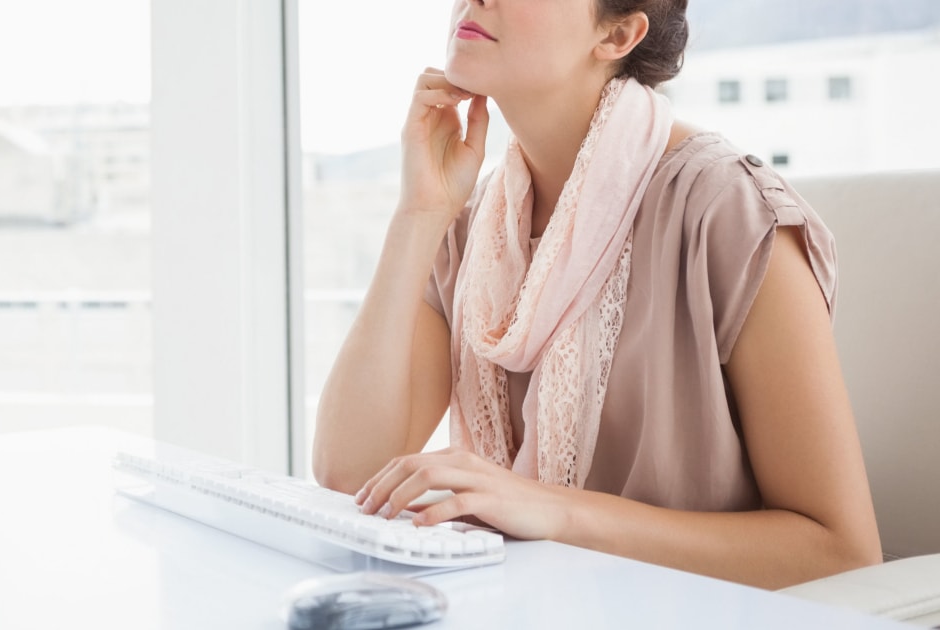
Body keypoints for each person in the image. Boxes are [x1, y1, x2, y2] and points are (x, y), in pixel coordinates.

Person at [312, 0, 883, 589]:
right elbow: (350, 471)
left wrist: (551, 511)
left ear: (617, 34)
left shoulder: (728, 212)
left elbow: (839, 552)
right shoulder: (467, 226)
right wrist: (418, 214)